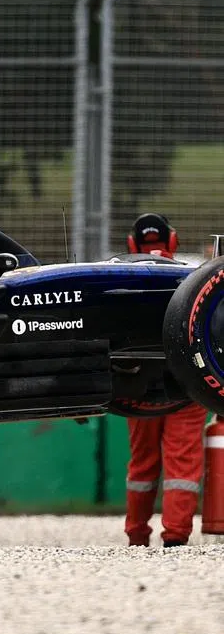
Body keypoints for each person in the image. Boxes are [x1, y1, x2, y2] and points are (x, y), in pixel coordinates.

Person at [123, 212, 207, 547]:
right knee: (183, 466)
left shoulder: (118, 276)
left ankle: (136, 536)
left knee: (141, 464)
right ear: (173, 241)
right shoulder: (194, 276)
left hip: (137, 389)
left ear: (133, 244)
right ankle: (175, 537)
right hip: (186, 387)